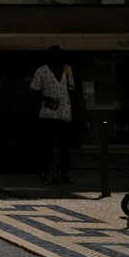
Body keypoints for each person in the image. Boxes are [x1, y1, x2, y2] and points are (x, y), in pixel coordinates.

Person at [31, 45, 75, 185]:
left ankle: (65, 174)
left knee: (65, 147)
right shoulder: (41, 71)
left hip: (65, 113)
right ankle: (43, 173)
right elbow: (34, 91)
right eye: (58, 55)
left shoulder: (67, 70)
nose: (61, 58)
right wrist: (46, 99)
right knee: (46, 146)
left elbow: (71, 90)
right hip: (47, 114)